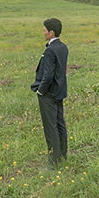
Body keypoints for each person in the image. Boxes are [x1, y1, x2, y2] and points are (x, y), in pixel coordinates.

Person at [31, 17, 68, 168]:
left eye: (44, 30)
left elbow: (48, 75)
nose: (43, 33)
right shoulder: (63, 47)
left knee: (50, 126)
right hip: (59, 91)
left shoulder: (50, 51)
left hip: (49, 94)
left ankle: (53, 162)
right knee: (60, 124)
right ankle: (63, 156)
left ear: (51, 33)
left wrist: (40, 91)